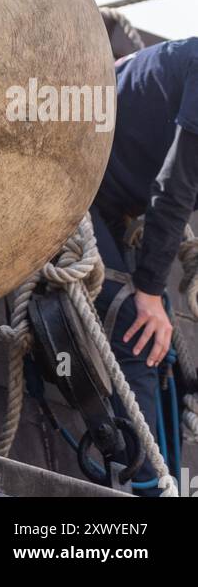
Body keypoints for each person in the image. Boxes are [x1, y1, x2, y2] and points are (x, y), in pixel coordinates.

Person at [90, 31, 198, 491]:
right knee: (136, 326)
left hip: (117, 200)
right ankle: (149, 488)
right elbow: (174, 189)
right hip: (72, 179)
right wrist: (150, 293)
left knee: (162, 348)